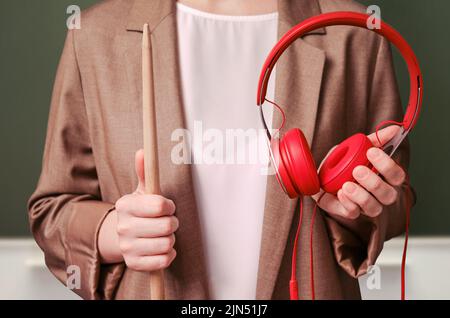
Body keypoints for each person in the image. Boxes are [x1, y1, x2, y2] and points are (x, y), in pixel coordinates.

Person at [28, 0, 413, 300]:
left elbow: (396, 205)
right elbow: (52, 212)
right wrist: (114, 232)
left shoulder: (356, 32)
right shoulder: (95, 36)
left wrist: (365, 205)